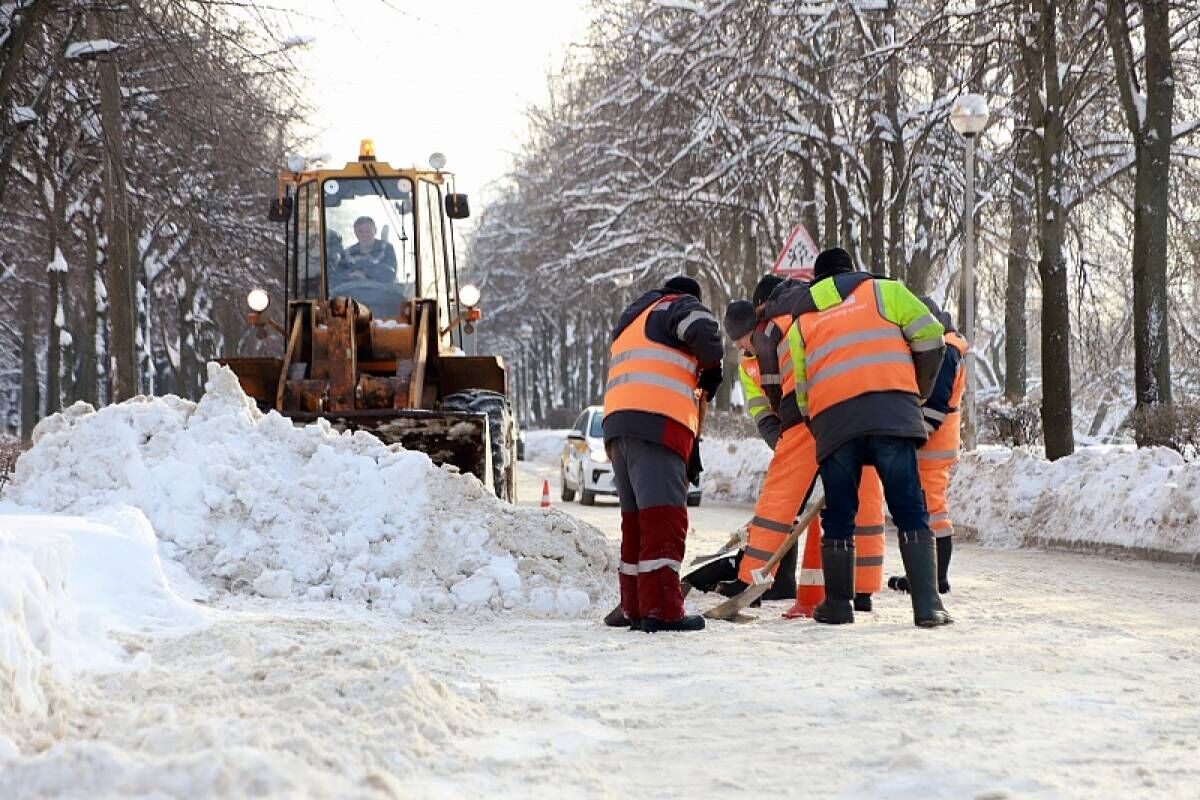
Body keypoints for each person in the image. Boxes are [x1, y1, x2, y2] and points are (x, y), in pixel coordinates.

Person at [762, 247, 950, 627]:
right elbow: (932, 338)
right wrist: (916, 391)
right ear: (852, 270)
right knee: (910, 508)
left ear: (817, 280)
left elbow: (801, 389)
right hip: (892, 415)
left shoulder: (803, 318)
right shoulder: (886, 291)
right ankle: (928, 606)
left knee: (839, 516)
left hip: (835, 423)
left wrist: (822, 427)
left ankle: (838, 605)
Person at [691, 275, 885, 613]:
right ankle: (862, 586)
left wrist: (790, 439)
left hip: (806, 411)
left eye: (740, 342)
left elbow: (780, 394)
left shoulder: (771, 329)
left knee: (779, 497)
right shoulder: (824, 310)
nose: (740, 349)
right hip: (861, 403)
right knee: (863, 491)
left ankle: (752, 576)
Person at [602, 275, 723, 633]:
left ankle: (635, 607)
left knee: (636, 523)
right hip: (657, 426)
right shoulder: (676, 305)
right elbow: (703, 328)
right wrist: (713, 368)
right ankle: (663, 609)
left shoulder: (633, 320)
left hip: (619, 428)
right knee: (664, 521)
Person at [888, 296, 968, 596]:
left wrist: (915, 434)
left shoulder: (945, 352)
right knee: (927, 508)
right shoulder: (947, 348)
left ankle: (937, 578)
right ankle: (926, 574)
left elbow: (935, 405)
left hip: (933, 445)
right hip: (934, 443)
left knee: (933, 510)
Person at [334, 216, 397, 284]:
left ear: (375, 231)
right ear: (355, 233)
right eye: (360, 231)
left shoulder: (386, 249)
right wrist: (351, 276)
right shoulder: (346, 253)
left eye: (368, 231)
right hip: (353, 292)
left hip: (381, 291)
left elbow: (390, 272)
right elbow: (338, 275)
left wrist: (365, 274)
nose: (364, 235)